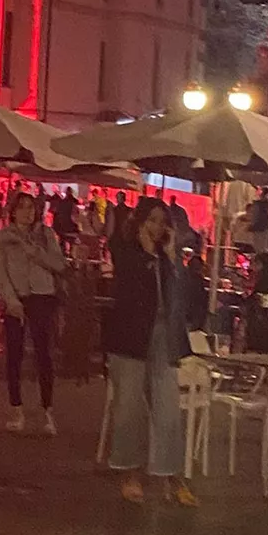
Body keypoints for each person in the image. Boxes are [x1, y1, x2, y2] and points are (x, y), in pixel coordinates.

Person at [103, 197, 198, 507]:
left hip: (163, 338)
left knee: (169, 407)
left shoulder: (165, 256)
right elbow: (128, 284)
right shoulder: (124, 248)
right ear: (140, 221)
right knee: (129, 407)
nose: (157, 228)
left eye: (162, 222)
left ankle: (172, 475)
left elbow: (180, 294)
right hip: (130, 338)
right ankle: (129, 473)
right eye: (152, 220)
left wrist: (171, 257)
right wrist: (145, 253)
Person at [0, 193, 65, 436]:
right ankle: (17, 408)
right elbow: (0, 271)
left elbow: (59, 264)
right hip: (18, 297)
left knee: (44, 354)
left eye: (31, 208)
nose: (27, 212)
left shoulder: (46, 235)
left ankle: (48, 408)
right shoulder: (4, 238)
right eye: (22, 208)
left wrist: (34, 252)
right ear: (12, 212)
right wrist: (11, 300)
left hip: (43, 296)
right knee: (14, 354)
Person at [52, 186, 80, 255]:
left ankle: (64, 253)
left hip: (61, 228)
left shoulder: (61, 202)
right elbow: (75, 217)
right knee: (73, 240)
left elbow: (56, 215)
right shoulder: (74, 202)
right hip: (70, 228)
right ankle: (70, 253)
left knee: (63, 241)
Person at [249, 186, 268, 252]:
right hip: (265, 225)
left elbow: (254, 215)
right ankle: (260, 257)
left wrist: (251, 224)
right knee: (262, 246)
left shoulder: (257, 204)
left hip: (258, 226)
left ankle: (258, 257)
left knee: (257, 245)